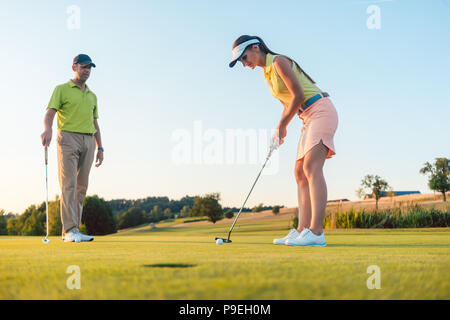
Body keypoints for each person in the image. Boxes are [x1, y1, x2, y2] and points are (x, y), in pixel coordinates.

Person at [229, 35, 338, 246]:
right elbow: (288, 105)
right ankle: (302, 231)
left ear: (255, 47)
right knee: (299, 173)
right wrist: (279, 130)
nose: (244, 63)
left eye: (244, 57)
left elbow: (297, 95)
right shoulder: (267, 76)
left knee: (311, 167)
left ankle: (316, 233)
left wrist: (282, 126)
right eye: (241, 61)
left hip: (321, 110)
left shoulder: (278, 62)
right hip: (306, 117)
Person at [40, 54, 104, 243]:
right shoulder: (61, 89)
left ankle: (74, 229)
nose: (87, 70)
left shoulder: (92, 95)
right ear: (74, 67)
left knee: (81, 187)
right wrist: (47, 129)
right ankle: (69, 230)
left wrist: (101, 147)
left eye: (89, 68)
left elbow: (95, 122)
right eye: (83, 67)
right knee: (69, 184)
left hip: (89, 141)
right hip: (67, 138)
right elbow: (50, 113)